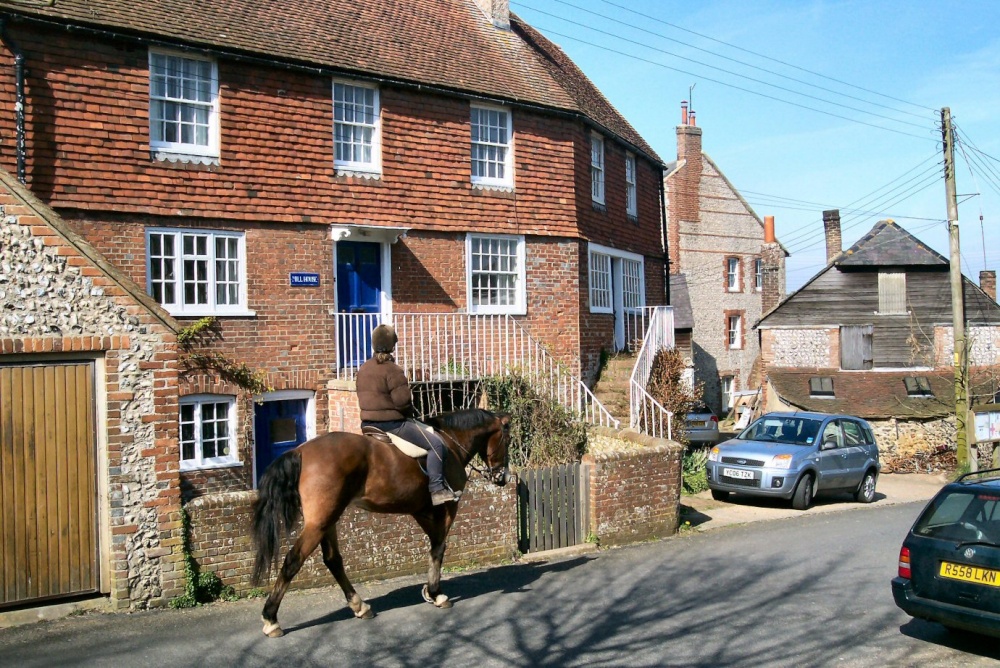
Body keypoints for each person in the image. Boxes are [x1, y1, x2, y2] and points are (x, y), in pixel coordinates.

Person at [356, 324, 457, 506]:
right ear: (392, 346)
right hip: (392, 425)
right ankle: (437, 490)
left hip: (367, 423)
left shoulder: (363, 368)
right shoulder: (393, 370)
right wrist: (410, 412)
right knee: (436, 445)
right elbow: (402, 402)